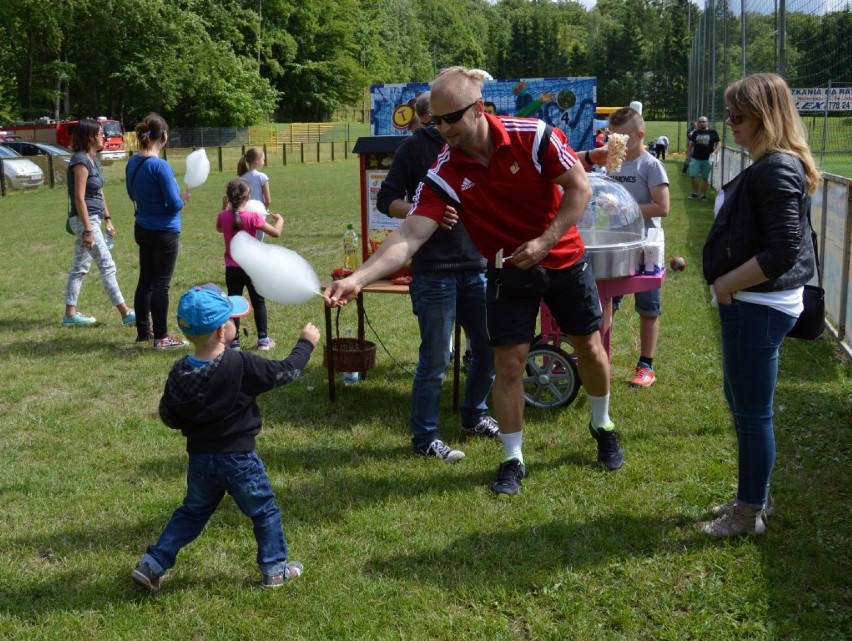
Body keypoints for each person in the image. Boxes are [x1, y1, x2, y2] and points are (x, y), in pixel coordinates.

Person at [326, 66, 624, 497]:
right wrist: (359, 276)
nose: (442, 128)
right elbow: (410, 233)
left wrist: (545, 240)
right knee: (507, 363)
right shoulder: (444, 169)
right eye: (436, 120)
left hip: (563, 257)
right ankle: (512, 458)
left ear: (480, 109)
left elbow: (579, 188)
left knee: (589, 347)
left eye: (452, 118)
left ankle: (603, 426)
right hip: (505, 268)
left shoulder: (534, 135)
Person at [131, 283, 320, 591]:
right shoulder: (242, 364)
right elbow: (287, 371)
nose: (237, 323)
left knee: (192, 512)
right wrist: (305, 343)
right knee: (264, 511)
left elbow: (168, 415)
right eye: (233, 320)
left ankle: (152, 565)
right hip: (239, 460)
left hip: (201, 460)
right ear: (222, 331)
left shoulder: (180, 371)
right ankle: (275, 569)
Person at [697, 73, 819, 538]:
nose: (730, 124)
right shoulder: (771, 163)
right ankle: (755, 493)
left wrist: (726, 284)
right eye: (728, 114)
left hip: (756, 305)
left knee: (752, 413)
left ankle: (748, 513)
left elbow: (783, 251)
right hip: (753, 303)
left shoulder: (776, 167)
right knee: (743, 403)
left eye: (738, 116)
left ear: (765, 117)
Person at [376, 91, 497, 463]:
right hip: (433, 272)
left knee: (489, 347)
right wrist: (422, 210)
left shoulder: (479, 141)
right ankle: (425, 437)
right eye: (443, 117)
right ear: (434, 117)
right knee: (436, 359)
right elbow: (386, 199)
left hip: (477, 264)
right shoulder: (415, 148)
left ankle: (474, 416)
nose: (449, 125)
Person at [605, 107, 670, 388]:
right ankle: (600, 356)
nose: (615, 143)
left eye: (621, 137)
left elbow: (662, 207)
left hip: (646, 244)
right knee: (607, 300)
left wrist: (625, 208)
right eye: (611, 137)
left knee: (648, 306)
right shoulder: (612, 162)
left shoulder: (650, 165)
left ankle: (646, 365)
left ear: (639, 135)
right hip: (616, 241)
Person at [63, 118, 136, 328]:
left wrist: (108, 219)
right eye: (100, 133)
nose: (103, 136)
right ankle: (125, 313)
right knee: (107, 264)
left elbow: (98, 192)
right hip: (83, 219)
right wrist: (88, 230)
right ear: (89, 136)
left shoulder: (93, 159)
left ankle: (70, 315)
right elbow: (79, 197)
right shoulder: (80, 161)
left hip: (94, 219)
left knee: (80, 266)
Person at [126, 113, 189, 349]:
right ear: (163, 136)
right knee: (161, 284)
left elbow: (133, 194)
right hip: (164, 232)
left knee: (145, 281)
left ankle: (144, 331)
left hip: (142, 228)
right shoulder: (160, 166)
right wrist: (182, 200)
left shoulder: (133, 162)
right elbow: (173, 204)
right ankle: (162, 337)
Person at [216, 178, 284, 350]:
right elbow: (276, 233)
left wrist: (224, 207)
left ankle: (234, 340)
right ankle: (263, 340)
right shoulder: (253, 217)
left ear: (229, 197)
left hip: (232, 269)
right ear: (247, 197)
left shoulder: (223, 216)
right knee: (258, 302)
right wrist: (280, 219)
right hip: (252, 268)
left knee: (234, 303)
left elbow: (219, 228)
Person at [687, 116, 721, 201]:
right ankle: (694, 193)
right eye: (700, 122)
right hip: (695, 157)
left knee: (705, 177)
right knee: (693, 175)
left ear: (707, 122)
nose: (701, 123)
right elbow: (691, 144)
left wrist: (715, 152)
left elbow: (719, 143)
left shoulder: (713, 132)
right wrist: (688, 155)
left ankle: (703, 195)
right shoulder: (695, 133)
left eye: (703, 121)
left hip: (707, 158)